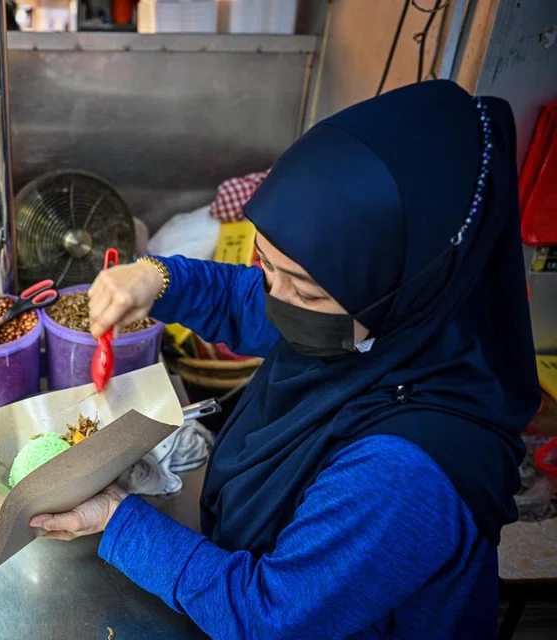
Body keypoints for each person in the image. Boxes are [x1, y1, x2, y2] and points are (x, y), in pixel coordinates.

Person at [30, 80, 540, 639]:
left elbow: (270, 618)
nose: (277, 299)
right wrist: (158, 276)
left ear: (411, 285)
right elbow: (245, 298)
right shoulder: (367, 326)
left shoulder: (405, 472)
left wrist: (116, 520)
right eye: (268, 265)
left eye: (306, 289)